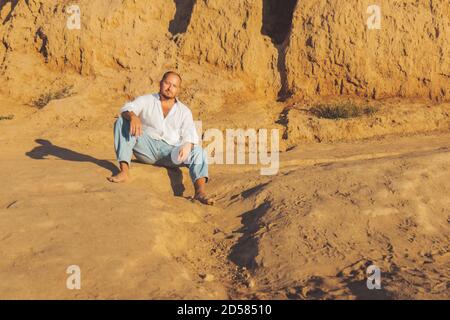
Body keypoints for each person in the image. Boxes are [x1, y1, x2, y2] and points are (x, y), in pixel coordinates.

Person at [108, 71, 213, 205]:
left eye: (174, 86)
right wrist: (133, 116)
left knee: (199, 151)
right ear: (160, 83)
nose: (170, 88)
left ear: (178, 90)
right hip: (146, 147)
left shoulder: (184, 111)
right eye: (167, 83)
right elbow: (127, 108)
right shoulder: (147, 100)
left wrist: (188, 144)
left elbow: (190, 133)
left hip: (171, 153)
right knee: (122, 121)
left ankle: (200, 192)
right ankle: (124, 172)